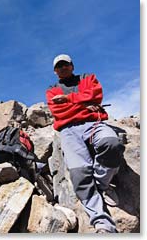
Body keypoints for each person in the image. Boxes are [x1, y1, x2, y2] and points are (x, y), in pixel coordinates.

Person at [46, 54, 125, 233]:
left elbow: (96, 95)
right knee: (79, 173)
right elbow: (58, 111)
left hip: (93, 123)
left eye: (65, 65)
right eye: (59, 67)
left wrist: (68, 99)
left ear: (72, 66)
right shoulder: (52, 90)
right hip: (67, 129)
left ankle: (101, 185)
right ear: (55, 71)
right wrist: (84, 103)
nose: (62, 68)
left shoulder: (87, 78)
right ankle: (103, 224)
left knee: (111, 143)